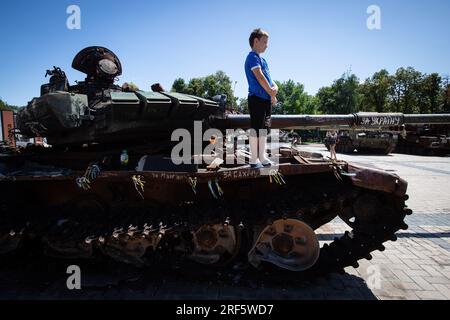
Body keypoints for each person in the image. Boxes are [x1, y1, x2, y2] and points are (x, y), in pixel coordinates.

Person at [244, 28, 278, 168]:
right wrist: (271, 92)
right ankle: (253, 159)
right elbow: (259, 76)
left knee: (264, 130)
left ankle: (262, 156)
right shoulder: (252, 57)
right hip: (256, 98)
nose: (267, 45)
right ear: (255, 41)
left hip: (266, 100)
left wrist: (275, 88)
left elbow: (270, 79)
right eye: (264, 42)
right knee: (256, 129)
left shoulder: (263, 60)